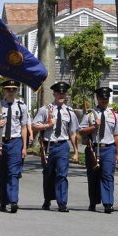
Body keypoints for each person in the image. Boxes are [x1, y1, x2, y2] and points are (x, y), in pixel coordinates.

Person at [32, 81, 79, 213]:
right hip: (48, 146)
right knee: (48, 175)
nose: (61, 95)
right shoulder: (45, 109)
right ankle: (47, 199)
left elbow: (73, 132)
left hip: (63, 146)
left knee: (62, 175)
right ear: (54, 93)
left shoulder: (70, 112)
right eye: (58, 93)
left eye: (63, 93)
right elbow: (34, 125)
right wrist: (48, 125)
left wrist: (75, 151)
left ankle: (62, 203)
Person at [0, 80, 28, 213]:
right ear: (3, 90)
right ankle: (3, 202)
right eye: (8, 89)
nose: (11, 92)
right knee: (2, 174)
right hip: (1, 142)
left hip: (15, 142)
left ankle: (14, 201)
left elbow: (24, 127)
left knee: (14, 173)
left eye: (13, 89)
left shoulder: (22, 106)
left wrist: (24, 147)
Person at [79, 87, 118, 213]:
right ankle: (93, 201)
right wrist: (94, 127)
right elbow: (81, 131)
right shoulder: (90, 114)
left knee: (108, 176)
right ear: (97, 98)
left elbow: (117, 135)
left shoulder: (114, 115)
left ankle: (108, 203)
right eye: (102, 98)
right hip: (94, 148)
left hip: (108, 148)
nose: (104, 100)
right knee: (93, 177)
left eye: (106, 98)